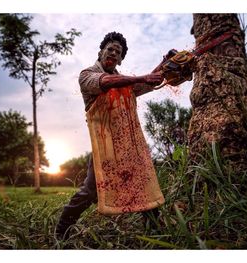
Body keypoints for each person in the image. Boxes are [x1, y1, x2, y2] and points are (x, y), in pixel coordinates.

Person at [55, 32, 165, 240]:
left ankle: (156, 232)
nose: (114, 53)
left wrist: (164, 63)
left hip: (127, 144)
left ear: (121, 59)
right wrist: (142, 77)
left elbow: (147, 84)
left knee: (142, 183)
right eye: (110, 49)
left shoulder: (126, 84)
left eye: (118, 52)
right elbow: (106, 82)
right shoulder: (87, 74)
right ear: (101, 52)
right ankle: (61, 232)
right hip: (104, 146)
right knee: (90, 192)